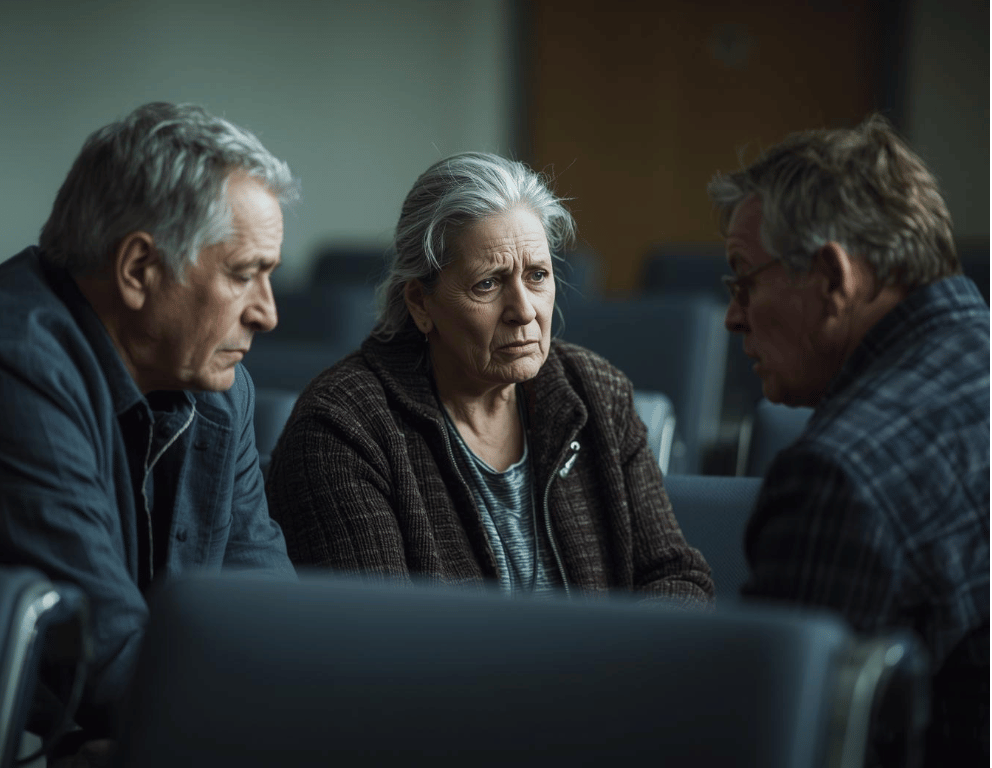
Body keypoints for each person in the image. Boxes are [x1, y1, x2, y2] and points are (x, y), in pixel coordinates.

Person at [0, 102, 299, 754]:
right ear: (139, 270)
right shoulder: (10, 361)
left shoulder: (216, 381)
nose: (267, 314)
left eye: (271, 275)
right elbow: (107, 656)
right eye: (243, 274)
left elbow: (268, 621)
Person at [266, 152, 713, 604]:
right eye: (488, 284)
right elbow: (384, 641)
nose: (524, 311)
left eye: (537, 276)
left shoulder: (597, 393)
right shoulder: (344, 428)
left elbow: (679, 577)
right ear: (421, 303)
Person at [709, 115, 989, 765]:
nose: (731, 316)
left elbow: (764, 743)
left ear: (834, 280)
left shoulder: (838, 478)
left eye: (744, 279)